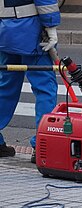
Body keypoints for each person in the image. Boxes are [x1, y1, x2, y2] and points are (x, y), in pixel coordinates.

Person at [0, 0, 60, 162]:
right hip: (31, 32)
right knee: (44, 89)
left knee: (5, 87)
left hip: (4, 32)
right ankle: (42, 145)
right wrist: (51, 26)